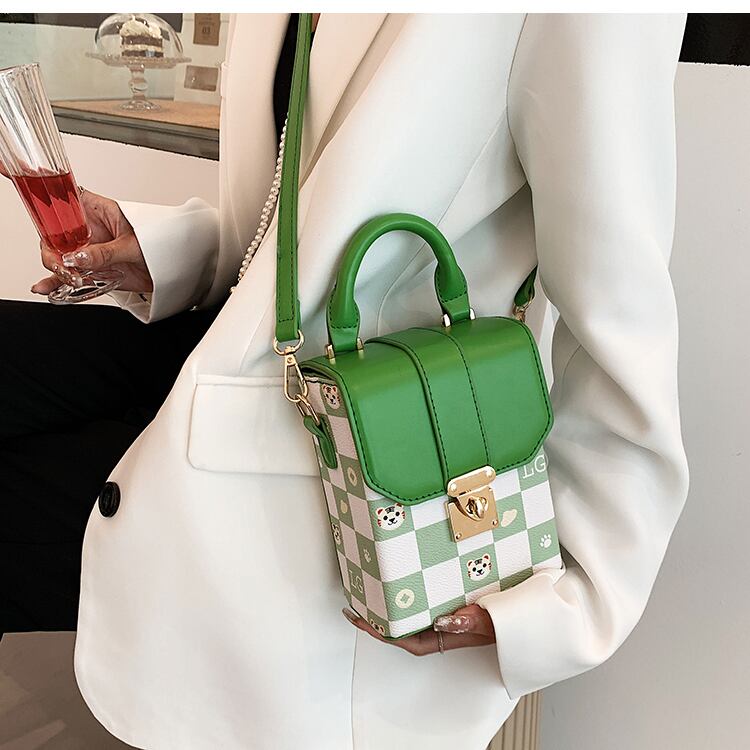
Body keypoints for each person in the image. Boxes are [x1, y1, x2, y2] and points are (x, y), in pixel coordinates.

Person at [1, 13, 689, 750]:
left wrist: (565, 603)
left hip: (359, 433)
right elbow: (285, 214)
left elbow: (619, 307)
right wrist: (161, 250)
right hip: (238, 342)